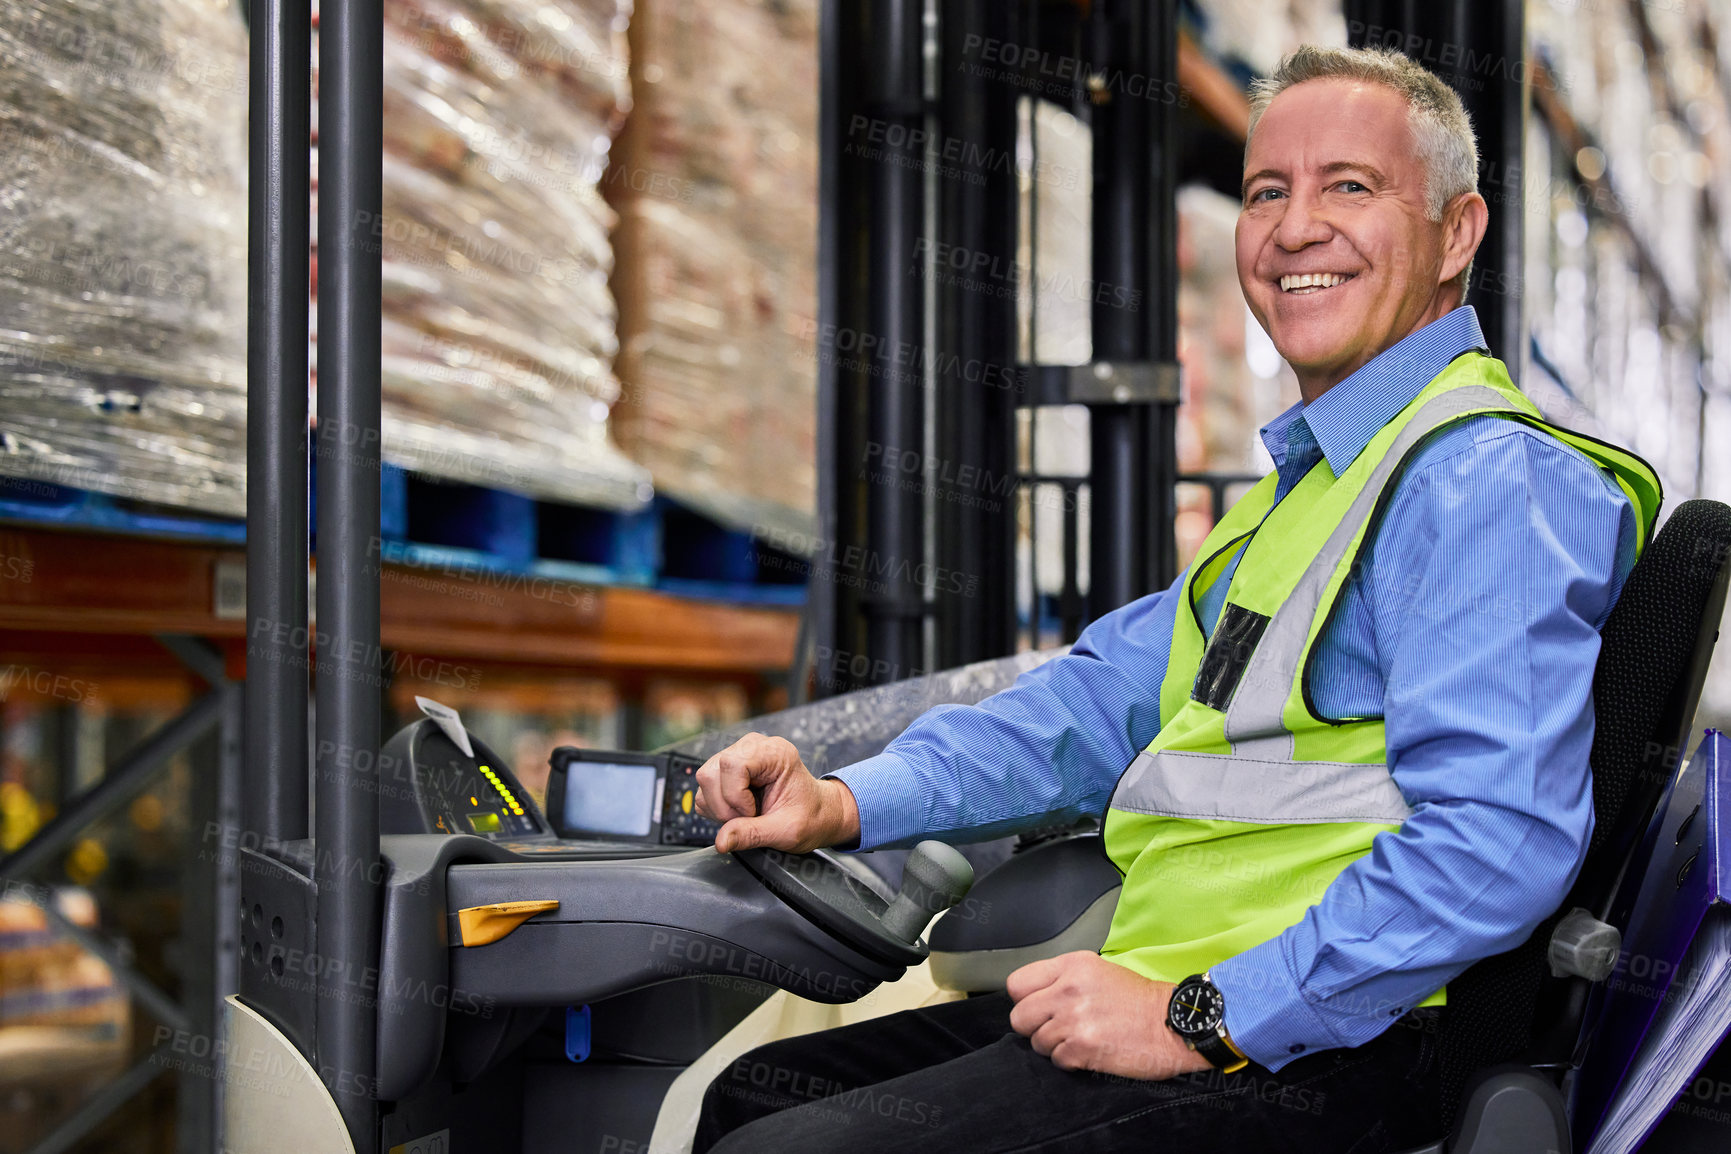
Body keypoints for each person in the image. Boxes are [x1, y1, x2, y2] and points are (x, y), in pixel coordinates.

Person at [690, 44, 1660, 1153]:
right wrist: (849, 801)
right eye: (1266, 192)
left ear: (1458, 233)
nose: (1296, 229)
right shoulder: (1319, 483)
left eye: (1350, 185)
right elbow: (1097, 704)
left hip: (1335, 1045)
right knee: (755, 1096)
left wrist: (1201, 1015)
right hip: (1208, 1001)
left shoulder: (1481, 482)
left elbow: (1495, 841)